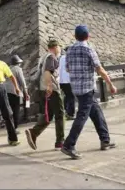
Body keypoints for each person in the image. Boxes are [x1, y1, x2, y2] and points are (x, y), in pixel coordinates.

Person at [60, 25, 117, 160]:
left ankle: (105, 140)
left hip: (76, 88)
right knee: (82, 116)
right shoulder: (88, 49)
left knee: (96, 112)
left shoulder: (69, 51)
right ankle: (68, 145)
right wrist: (110, 84)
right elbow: (99, 69)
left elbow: (67, 69)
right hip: (87, 88)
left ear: (75, 36)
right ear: (88, 36)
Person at [25, 39, 65, 151]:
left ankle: (34, 132)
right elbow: (48, 72)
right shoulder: (51, 57)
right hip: (52, 90)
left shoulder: (43, 57)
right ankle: (60, 142)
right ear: (56, 47)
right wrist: (49, 86)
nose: (59, 50)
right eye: (59, 48)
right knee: (60, 115)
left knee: (49, 115)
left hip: (43, 90)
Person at [4, 55, 29, 132]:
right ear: (18, 63)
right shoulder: (17, 69)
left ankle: (9, 126)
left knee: (9, 110)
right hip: (15, 91)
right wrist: (26, 93)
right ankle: (14, 128)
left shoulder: (7, 68)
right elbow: (22, 82)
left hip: (6, 92)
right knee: (16, 110)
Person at [59, 47, 75, 120]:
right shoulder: (70, 58)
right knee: (71, 97)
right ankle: (70, 114)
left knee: (67, 95)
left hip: (61, 80)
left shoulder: (61, 58)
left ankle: (65, 111)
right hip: (68, 80)